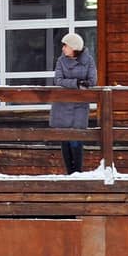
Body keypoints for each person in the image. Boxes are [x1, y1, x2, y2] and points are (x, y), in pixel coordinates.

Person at [50, 32, 97, 174]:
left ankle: (77, 172)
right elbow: (58, 80)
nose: (63, 48)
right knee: (65, 139)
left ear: (73, 47)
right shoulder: (61, 61)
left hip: (79, 106)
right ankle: (69, 172)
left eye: (65, 45)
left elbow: (92, 80)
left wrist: (85, 84)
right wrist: (76, 83)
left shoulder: (88, 60)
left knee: (76, 139)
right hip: (63, 105)